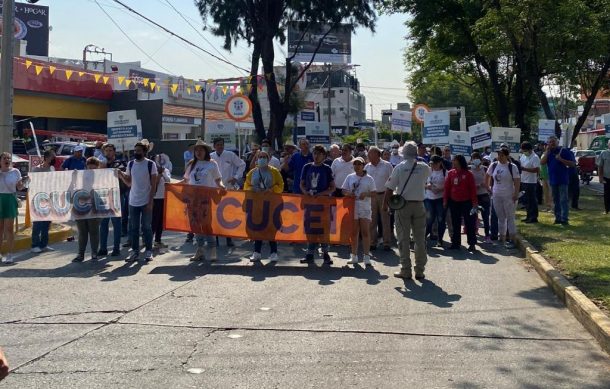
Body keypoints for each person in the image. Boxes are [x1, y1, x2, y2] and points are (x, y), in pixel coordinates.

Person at [384, 141, 430, 280]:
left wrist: (385, 205)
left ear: (403, 153)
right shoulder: (424, 167)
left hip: (402, 205)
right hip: (419, 204)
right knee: (420, 239)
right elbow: (426, 180)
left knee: (403, 239)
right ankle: (420, 270)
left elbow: (389, 188)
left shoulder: (399, 167)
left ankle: (406, 269)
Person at [183, 141, 224, 261]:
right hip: (193, 200)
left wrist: (221, 186)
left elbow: (218, 180)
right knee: (195, 225)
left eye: (201, 150)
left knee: (207, 224)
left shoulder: (212, 164)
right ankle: (199, 250)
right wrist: (170, 186)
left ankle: (212, 250)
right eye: (196, 150)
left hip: (206, 199)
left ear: (206, 151)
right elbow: (185, 181)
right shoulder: (191, 164)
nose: (198, 152)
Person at [118, 141, 158, 262]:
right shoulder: (130, 164)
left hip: (146, 201)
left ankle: (148, 251)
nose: (136, 153)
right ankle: (135, 251)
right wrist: (121, 175)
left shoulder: (151, 164)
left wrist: (150, 201)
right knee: (134, 228)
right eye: (135, 151)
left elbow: (153, 184)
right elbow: (129, 183)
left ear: (144, 152)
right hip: (133, 201)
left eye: (139, 151)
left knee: (146, 227)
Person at [244, 150, 284, 262]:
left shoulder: (275, 172)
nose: (262, 159)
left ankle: (274, 253)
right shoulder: (252, 172)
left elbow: (281, 185)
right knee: (257, 228)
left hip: (271, 204)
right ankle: (257, 252)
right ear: (256, 159)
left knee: (271, 228)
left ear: (268, 159)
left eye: (264, 157)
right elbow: (246, 185)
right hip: (257, 204)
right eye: (260, 157)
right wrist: (251, 189)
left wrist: (272, 190)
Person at [300, 144, 336, 265]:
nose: (316, 156)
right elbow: (302, 184)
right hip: (310, 203)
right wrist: (306, 192)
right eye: (315, 153)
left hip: (323, 204)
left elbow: (332, 187)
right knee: (310, 228)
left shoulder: (327, 168)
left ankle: (326, 254)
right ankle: (309, 253)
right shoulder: (307, 167)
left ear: (324, 156)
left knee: (323, 229)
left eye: (319, 154)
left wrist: (322, 194)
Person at [210, 137, 245, 247]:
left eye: (222, 144)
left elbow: (242, 164)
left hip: (228, 188)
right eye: (218, 145)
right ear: (214, 146)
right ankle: (215, 238)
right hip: (214, 189)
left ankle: (229, 238)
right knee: (215, 214)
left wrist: (236, 177)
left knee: (228, 214)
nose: (220, 146)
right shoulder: (210, 157)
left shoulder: (230, 155)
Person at [342, 157, 376, 266]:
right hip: (353, 207)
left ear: (363, 165)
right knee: (354, 232)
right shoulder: (350, 177)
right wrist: (349, 194)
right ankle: (354, 255)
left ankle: (366, 256)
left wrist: (366, 194)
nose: (357, 166)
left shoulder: (369, 178)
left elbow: (374, 193)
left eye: (359, 164)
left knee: (365, 231)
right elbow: (343, 190)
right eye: (355, 164)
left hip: (365, 207)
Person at [487, 149, 520, 249]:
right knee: (501, 217)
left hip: (509, 195)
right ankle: (502, 239)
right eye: (498, 155)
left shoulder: (512, 167)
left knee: (510, 217)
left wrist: (516, 193)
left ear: (506, 156)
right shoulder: (493, 165)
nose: (499, 157)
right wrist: (488, 187)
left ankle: (512, 239)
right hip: (496, 195)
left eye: (502, 155)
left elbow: (517, 180)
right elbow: (487, 176)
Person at [444, 155, 478, 252]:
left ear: (459, 161)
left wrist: (475, 203)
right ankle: (455, 243)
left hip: (467, 202)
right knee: (455, 223)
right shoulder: (450, 173)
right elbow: (447, 189)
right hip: (453, 202)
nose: (452, 162)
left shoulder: (468, 174)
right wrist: (445, 201)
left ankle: (472, 244)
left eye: (454, 160)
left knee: (469, 223)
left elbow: (473, 190)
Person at [73, 157, 103, 262]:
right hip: (80, 206)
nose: (91, 171)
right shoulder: (80, 176)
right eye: (89, 168)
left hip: (94, 206)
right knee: (82, 232)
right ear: (86, 166)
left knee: (94, 231)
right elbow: (73, 188)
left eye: (94, 168)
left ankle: (94, 253)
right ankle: (80, 254)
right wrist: (73, 177)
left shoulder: (101, 178)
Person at [99, 143, 126, 257]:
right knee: (103, 224)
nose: (108, 152)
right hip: (104, 197)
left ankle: (116, 248)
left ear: (114, 152)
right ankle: (103, 248)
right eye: (106, 151)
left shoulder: (120, 163)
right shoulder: (100, 164)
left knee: (116, 224)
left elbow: (120, 174)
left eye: (110, 150)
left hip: (117, 196)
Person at [541, 135, 575, 225]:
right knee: (555, 200)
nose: (552, 143)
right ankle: (558, 218)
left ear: (557, 142)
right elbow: (542, 162)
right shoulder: (548, 152)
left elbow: (572, 164)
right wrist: (547, 152)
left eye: (553, 141)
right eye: (550, 142)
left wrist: (561, 159)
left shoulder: (563, 151)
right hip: (553, 179)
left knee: (563, 199)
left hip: (563, 179)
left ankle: (564, 219)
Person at [365, 146, 394, 251]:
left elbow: (392, 180)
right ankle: (373, 242)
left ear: (377, 154)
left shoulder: (387, 165)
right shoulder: (367, 167)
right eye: (368, 154)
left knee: (385, 219)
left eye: (370, 153)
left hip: (384, 195)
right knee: (372, 220)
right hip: (371, 196)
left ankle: (387, 242)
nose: (368, 155)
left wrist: (390, 196)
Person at [0, 152, 26, 264]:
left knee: (9, 229)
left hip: (10, 199)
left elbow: (20, 187)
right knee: (0, 230)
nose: (7, 160)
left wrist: (25, 182)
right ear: (0, 161)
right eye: (4, 158)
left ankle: (9, 254)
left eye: (8, 158)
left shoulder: (15, 171)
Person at [31, 149, 56, 253]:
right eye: (52, 157)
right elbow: (33, 183)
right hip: (38, 198)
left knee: (46, 223)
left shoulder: (52, 168)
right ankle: (34, 245)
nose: (54, 158)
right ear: (46, 157)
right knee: (38, 223)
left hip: (49, 198)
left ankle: (44, 244)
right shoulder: (36, 169)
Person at [424, 155, 447, 247]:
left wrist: (440, 189)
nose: (432, 166)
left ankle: (440, 239)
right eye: (431, 164)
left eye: (434, 164)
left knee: (441, 219)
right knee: (429, 219)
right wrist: (427, 186)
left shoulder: (445, 172)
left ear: (439, 163)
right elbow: (422, 184)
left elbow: (448, 186)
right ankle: (423, 237)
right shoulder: (428, 171)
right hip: (429, 198)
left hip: (440, 199)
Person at [470, 152, 491, 243]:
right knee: (473, 215)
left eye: (477, 158)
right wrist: (476, 185)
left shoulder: (486, 169)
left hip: (484, 195)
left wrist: (486, 185)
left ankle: (487, 235)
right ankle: (474, 232)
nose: (476, 160)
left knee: (485, 216)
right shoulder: (469, 169)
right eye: (474, 158)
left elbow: (489, 182)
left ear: (481, 160)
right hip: (473, 196)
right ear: (471, 160)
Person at [519, 141, 540, 223]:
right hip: (523, 180)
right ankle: (528, 215)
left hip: (531, 182)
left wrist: (524, 169)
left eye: (525, 150)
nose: (524, 152)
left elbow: (536, 169)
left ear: (530, 149)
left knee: (532, 200)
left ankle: (534, 217)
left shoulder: (535, 157)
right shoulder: (523, 156)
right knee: (526, 200)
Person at [152, 161, 171, 249]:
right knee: (153, 221)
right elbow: (155, 183)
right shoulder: (152, 170)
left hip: (163, 198)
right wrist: (158, 174)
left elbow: (168, 181)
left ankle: (157, 240)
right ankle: (148, 240)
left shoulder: (166, 170)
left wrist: (162, 172)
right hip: (154, 199)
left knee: (160, 221)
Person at [597, 141, 610, 214]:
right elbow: (600, 166)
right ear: (608, 145)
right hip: (607, 177)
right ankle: (607, 210)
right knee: (607, 194)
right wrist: (600, 178)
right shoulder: (604, 153)